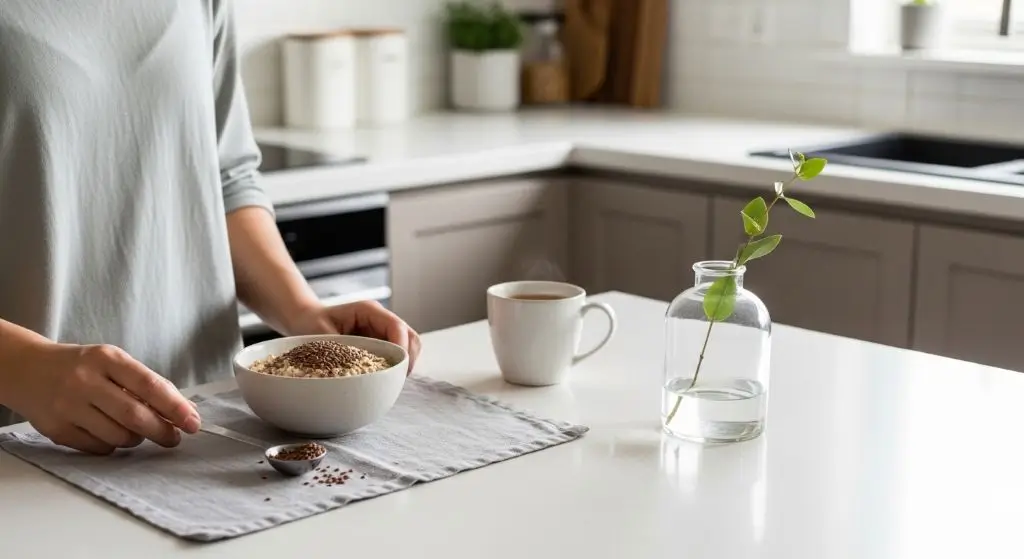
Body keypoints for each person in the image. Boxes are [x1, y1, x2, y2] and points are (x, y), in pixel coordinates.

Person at [0, 0, 420, 454]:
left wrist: (303, 313)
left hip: (208, 425)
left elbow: (222, 176)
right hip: (29, 448)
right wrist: (21, 367)